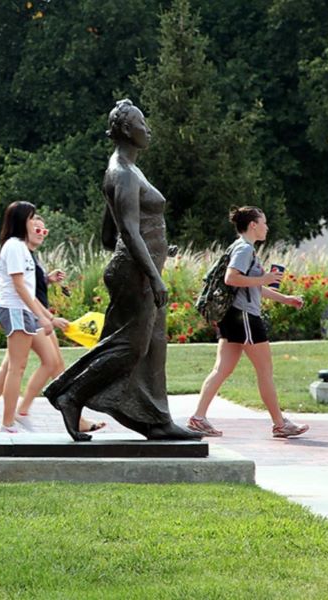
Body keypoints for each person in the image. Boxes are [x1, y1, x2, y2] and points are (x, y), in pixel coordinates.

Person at [44, 99, 200, 442]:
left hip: (137, 267)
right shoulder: (123, 173)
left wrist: (159, 248)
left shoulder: (124, 170)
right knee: (130, 346)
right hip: (136, 273)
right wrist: (154, 275)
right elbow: (127, 231)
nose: (149, 129)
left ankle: (157, 420)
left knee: (153, 346)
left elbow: (108, 234)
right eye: (143, 124)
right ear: (128, 130)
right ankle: (70, 394)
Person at [187, 206, 310, 438]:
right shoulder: (244, 249)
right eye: (264, 222)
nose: (267, 227)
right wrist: (264, 278)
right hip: (244, 317)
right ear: (253, 225)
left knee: (221, 369)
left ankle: (198, 418)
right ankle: (280, 424)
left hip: (232, 317)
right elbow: (231, 278)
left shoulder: (239, 247)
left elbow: (250, 285)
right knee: (265, 370)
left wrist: (285, 298)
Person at [0, 215, 105, 433]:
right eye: (37, 229)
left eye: (44, 231)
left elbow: (30, 284)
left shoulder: (28, 255)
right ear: (25, 228)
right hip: (30, 314)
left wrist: (47, 279)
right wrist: (49, 318)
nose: (41, 233)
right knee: (50, 364)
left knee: (12, 366)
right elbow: (23, 288)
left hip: (34, 314)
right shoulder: (19, 251)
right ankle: (23, 411)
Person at [0, 202, 66, 433]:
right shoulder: (14, 247)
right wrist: (43, 317)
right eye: (31, 218)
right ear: (21, 221)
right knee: (16, 368)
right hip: (15, 310)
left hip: (22, 310)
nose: (35, 222)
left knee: (15, 366)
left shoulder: (21, 248)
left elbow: (28, 289)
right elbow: (19, 286)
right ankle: (9, 422)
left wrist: (48, 317)